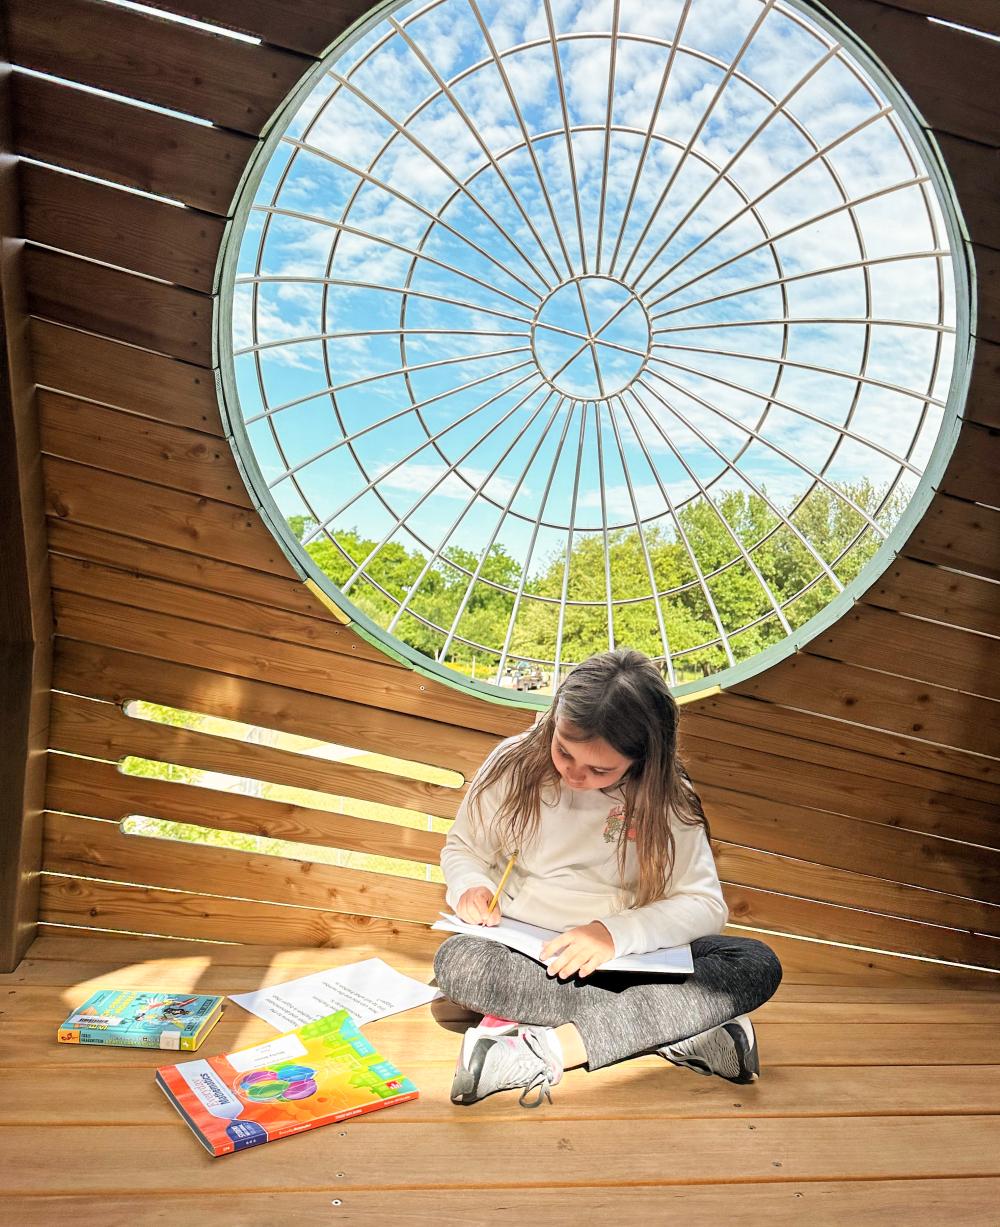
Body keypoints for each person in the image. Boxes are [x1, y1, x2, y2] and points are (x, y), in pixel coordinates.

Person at [434, 648, 784, 1108]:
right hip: (529, 959)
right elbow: (464, 848)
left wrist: (611, 935)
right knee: (458, 964)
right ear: (555, 715)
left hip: (629, 964)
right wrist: (469, 887)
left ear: (643, 758)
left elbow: (704, 904)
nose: (574, 773)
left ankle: (544, 1050)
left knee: (751, 962)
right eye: (563, 750)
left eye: (600, 769)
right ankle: (679, 1031)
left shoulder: (667, 796)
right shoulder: (514, 763)